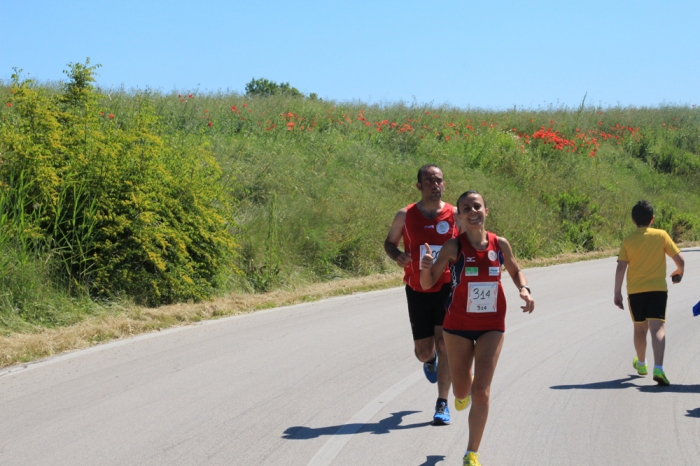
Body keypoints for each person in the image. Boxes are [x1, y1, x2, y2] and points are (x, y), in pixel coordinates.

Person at [420, 190, 534, 466]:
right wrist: (425, 267)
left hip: (492, 325)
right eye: (466, 208)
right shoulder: (453, 247)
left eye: (477, 206)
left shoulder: (499, 244)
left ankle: (472, 453)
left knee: (481, 391)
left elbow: (517, 270)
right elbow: (427, 283)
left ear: (486, 211)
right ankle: (462, 392)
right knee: (462, 392)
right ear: (459, 216)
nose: (473, 211)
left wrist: (524, 289)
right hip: (457, 326)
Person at [384, 164, 459, 425]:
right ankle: (429, 362)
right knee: (424, 350)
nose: (434, 184)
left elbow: (470, 244)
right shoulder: (405, 215)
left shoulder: (456, 215)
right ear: (419, 186)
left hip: (447, 288)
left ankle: (442, 403)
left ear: (444, 185)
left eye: (439, 180)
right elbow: (389, 243)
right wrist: (398, 255)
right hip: (417, 289)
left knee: (444, 342)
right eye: (429, 181)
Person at [614, 200, 685, 386]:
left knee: (639, 328)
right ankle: (658, 368)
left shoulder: (628, 240)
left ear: (633, 220)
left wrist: (617, 292)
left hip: (636, 291)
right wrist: (679, 272)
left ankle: (642, 364)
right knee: (657, 328)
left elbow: (621, 267)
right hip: (658, 290)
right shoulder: (661, 235)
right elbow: (680, 260)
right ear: (652, 220)